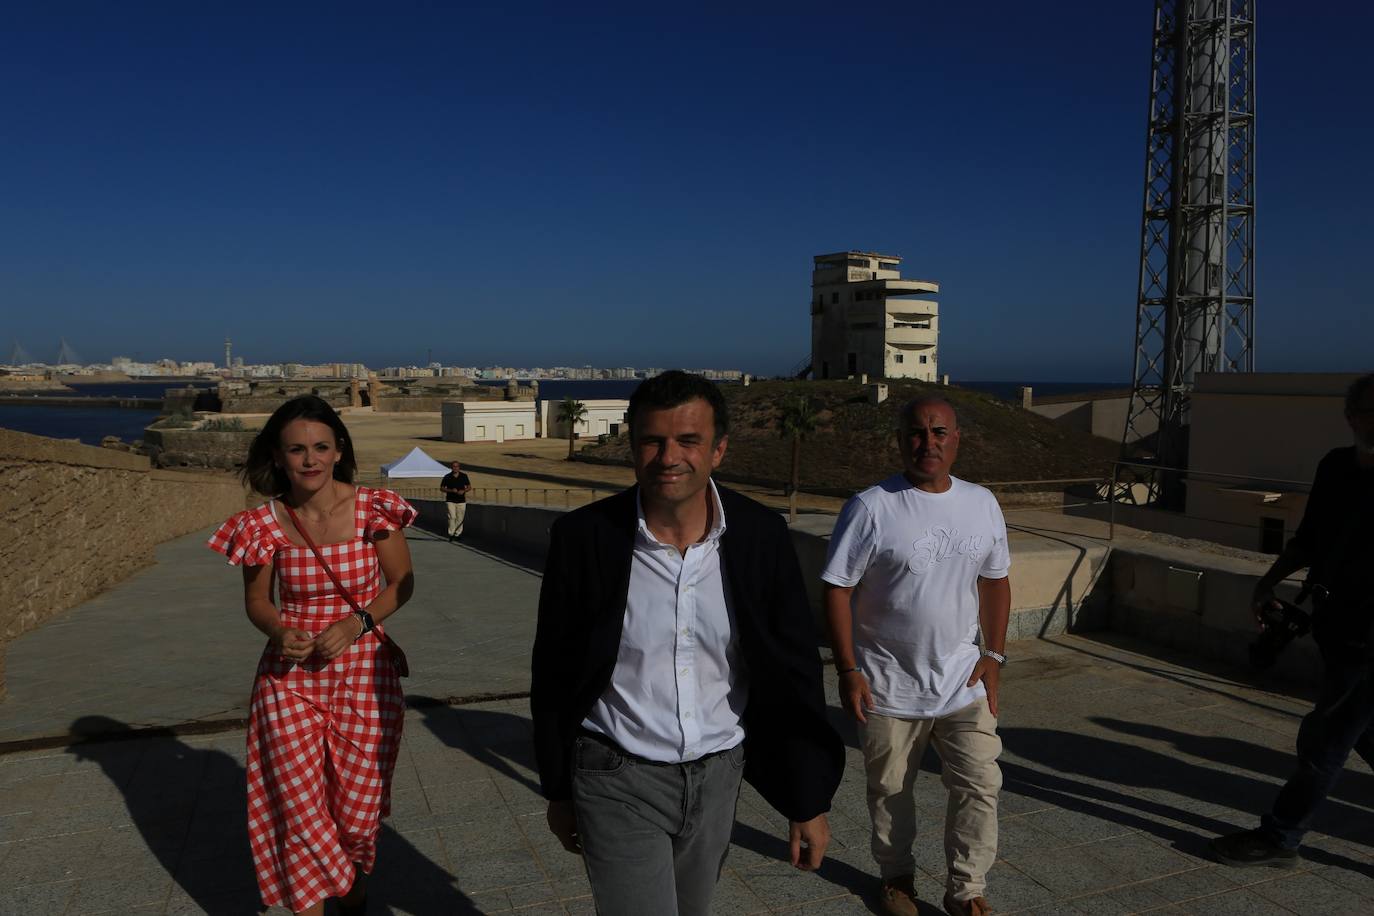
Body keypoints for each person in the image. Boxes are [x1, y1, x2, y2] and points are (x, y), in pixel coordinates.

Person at [531, 370, 844, 916]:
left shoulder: (760, 536)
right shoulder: (585, 539)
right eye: (652, 441)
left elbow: (794, 670)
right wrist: (558, 789)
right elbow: (554, 670)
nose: (668, 457)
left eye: (688, 441)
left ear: (718, 450)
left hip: (719, 776)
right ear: (632, 447)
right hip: (615, 775)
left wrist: (807, 800)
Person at [207, 395, 416, 916]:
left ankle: (351, 883)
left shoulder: (374, 508)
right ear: (278, 456)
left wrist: (357, 622)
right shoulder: (262, 524)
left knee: (357, 809)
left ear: (338, 450)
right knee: (299, 809)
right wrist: (279, 630)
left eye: (321, 447)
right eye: (296, 449)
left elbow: (401, 585)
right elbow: (258, 602)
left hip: (364, 674)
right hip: (288, 680)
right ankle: (320, 896)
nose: (310, 460)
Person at [822, 397, 1011, 916]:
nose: (928, 443)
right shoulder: (871, 507)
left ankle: (967, 889)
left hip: (962, 680)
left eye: (939, 432)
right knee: (890, 789)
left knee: (980, 783)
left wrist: (993, 654)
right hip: (887, 684)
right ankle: (896, 877)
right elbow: (837, 589)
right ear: (901, 439)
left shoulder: (982, 503)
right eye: (917, 433)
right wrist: (848, 669)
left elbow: (995, 580)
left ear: (957, 439)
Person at [1211, 372, 1374, 868]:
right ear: (1351, 417)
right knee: (1361, 731)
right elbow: (1309, 538)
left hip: (1371, 637)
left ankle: (1281, 837)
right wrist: (1268, 581)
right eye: (1371, 410)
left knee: (1325, 737)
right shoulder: (1336, 468)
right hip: (1336, 625)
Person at [440, 459, 472, 541]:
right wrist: (451, 490)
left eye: (457, 466)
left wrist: (463, 491)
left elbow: (469, 487)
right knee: (452, 517)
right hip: (450, 500)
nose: (455, 468)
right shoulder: (447, 477)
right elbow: (442, 488)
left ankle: (458, 534)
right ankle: (451, 534)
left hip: (461, 500)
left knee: (460, 518)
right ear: (451, 467)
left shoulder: (464, 476)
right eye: (454, 466)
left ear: (459, 467)